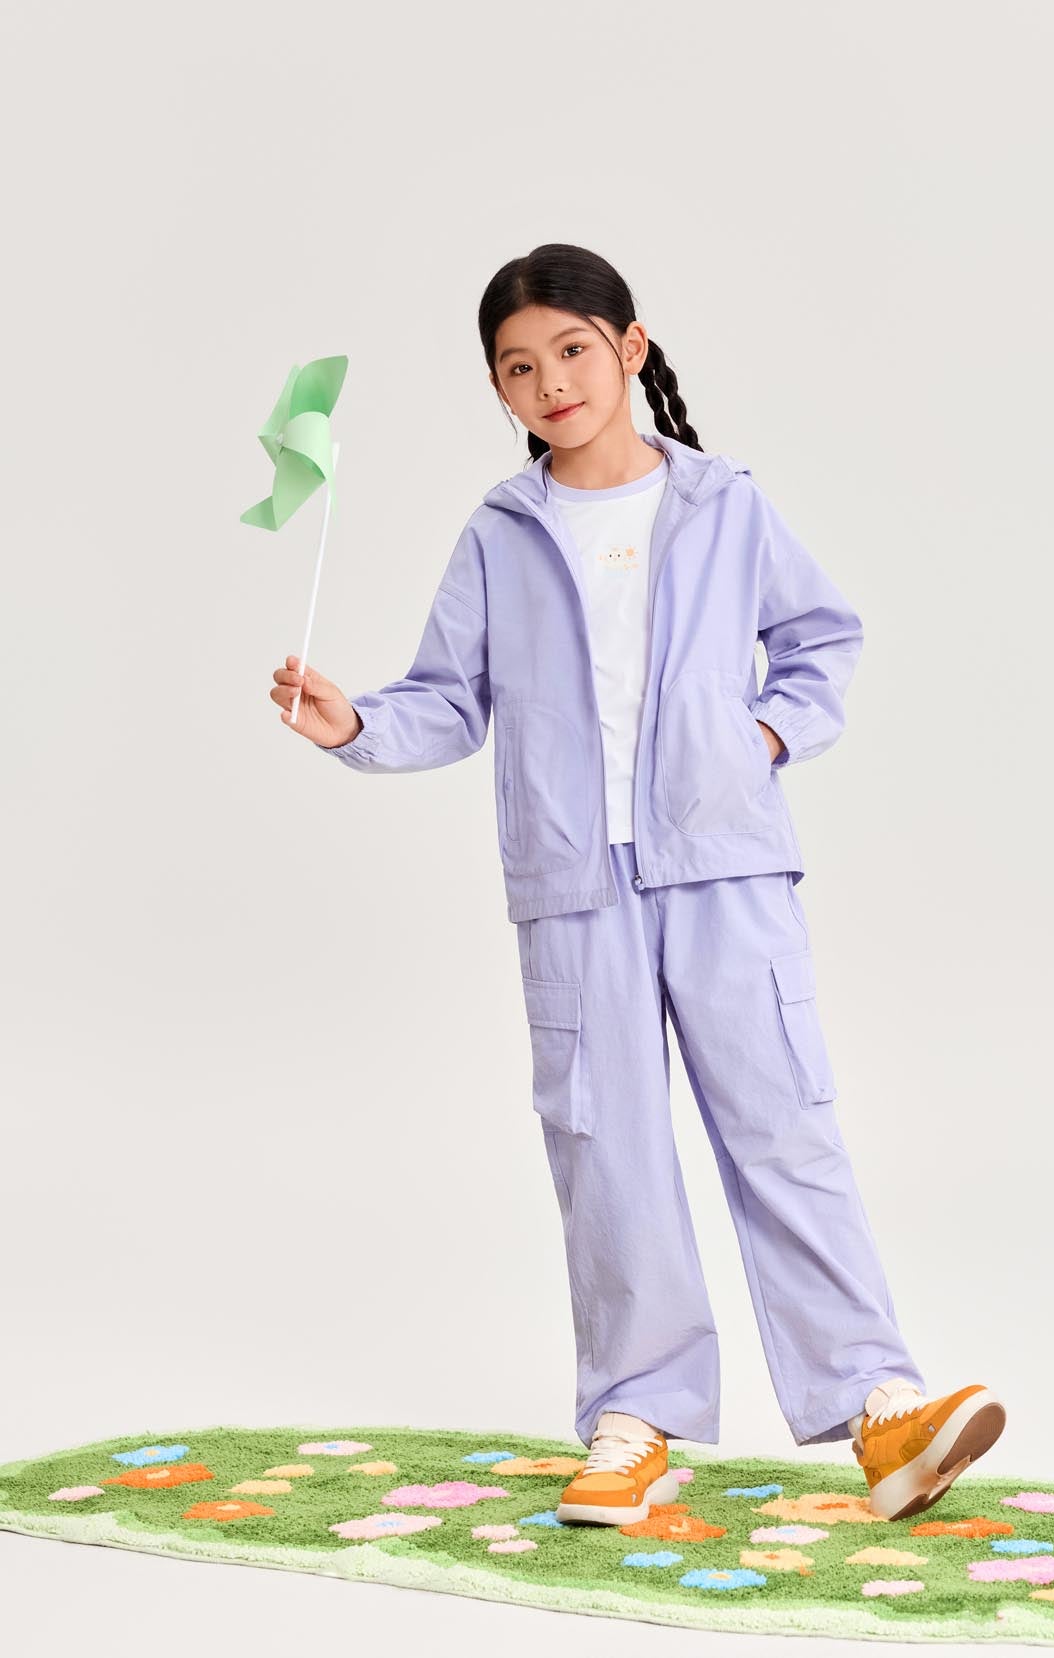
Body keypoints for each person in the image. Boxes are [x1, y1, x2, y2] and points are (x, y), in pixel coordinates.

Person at [269, 242, 1006, 1524]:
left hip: (724, 863)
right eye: (517, 366)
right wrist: (356, 724)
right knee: (605, 1145)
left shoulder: (724, 505)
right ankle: (634, 1416)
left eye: (569, 350)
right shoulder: (501, 532)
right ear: (497, 390)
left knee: (780, 1123)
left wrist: (759, 738)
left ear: (629, 347)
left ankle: (880, 1405)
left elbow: (820, 638)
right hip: (571, 887)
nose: (548, 381)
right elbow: (449, 697)